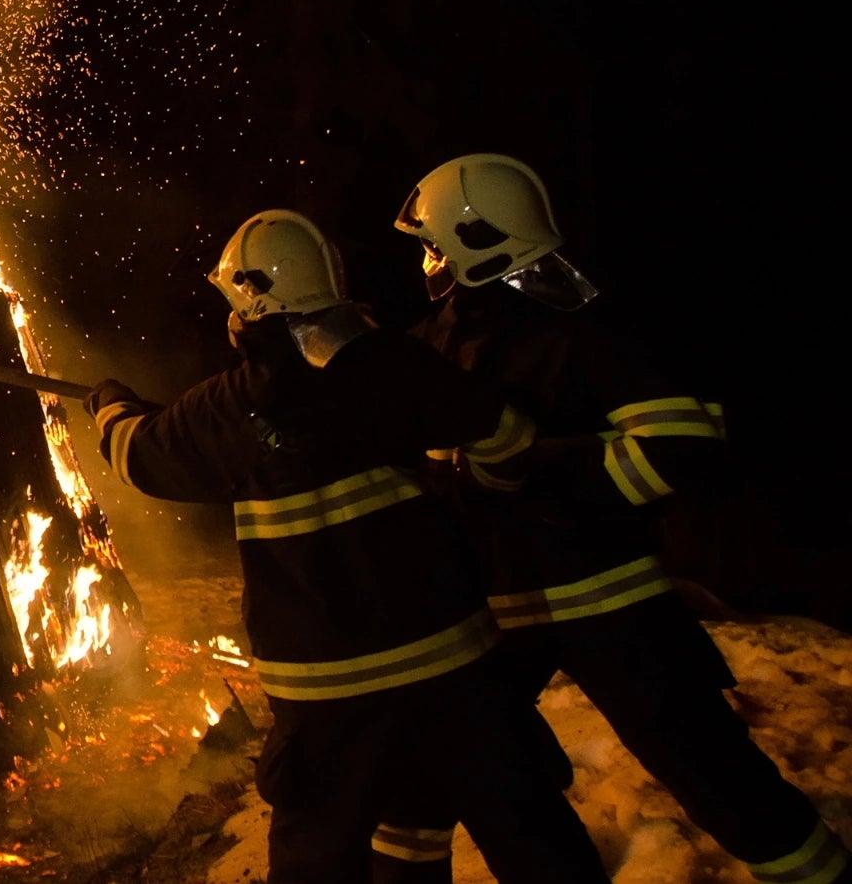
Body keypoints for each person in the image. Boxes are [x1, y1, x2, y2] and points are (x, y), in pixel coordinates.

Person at [87, 209, 605, 883]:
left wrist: (110, 402)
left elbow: (137, 457)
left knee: (318, 859)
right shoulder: (399, 364)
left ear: (251, 302)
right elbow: (507, 437)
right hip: (455, 669)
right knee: (528, 837)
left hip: (328, 699)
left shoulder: (231, 406)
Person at [394, 153, 847, 884]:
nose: (429, 261)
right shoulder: (431, 342)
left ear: (483, 240)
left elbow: (682, 446)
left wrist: (537, 469)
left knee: (723, 786)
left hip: (611, 605)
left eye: (437, 244)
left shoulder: (583, 334)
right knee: (431, 781)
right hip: (492, 615)